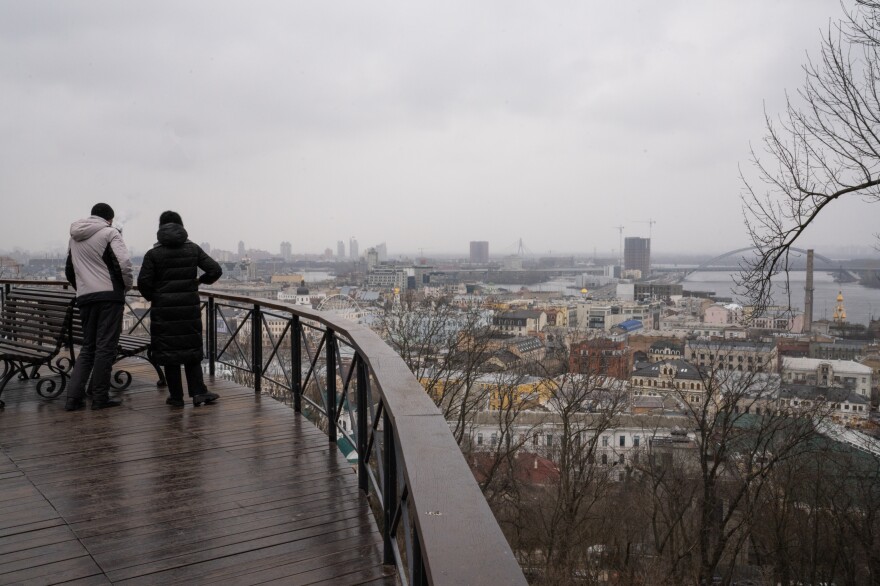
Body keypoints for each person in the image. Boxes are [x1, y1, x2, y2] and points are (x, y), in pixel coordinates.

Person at [137, 211, 222, 407]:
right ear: (181, 226)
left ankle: (176, 397)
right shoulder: (193, 249)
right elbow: (215, 270)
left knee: (169, 353)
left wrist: (155, 296)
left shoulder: (153, 254)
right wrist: (199, 281)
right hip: (188, 309)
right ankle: (199, 392)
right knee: (191, 350)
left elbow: (143, 283)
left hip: (163, 311)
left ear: (160, 228)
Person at [64, 203, 133, 411]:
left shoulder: (74, 237)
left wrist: (83, 288)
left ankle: (73, 399)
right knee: (105, 347)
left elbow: (69, 270)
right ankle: (100, 397)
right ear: (109, 219)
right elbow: (124, 264)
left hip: (85, 297)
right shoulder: (110, 233)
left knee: (88, 348)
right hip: (109, 297)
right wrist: (126, 286)